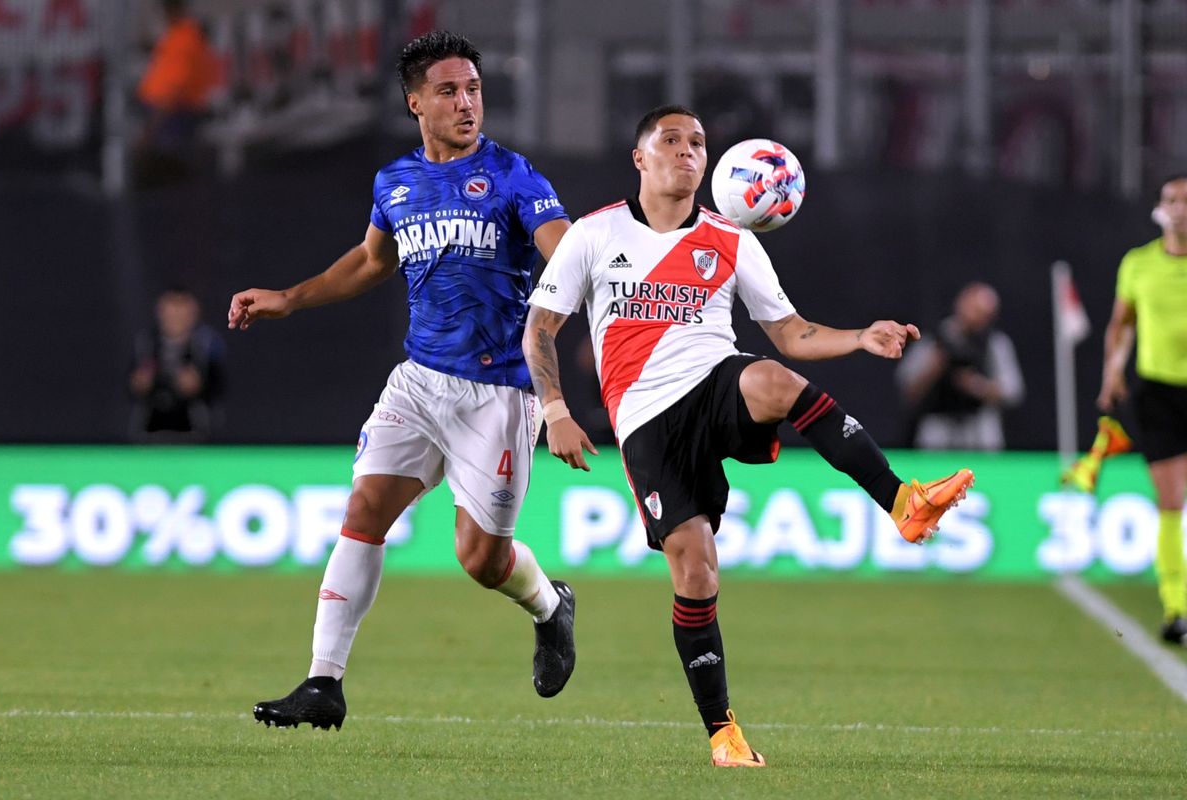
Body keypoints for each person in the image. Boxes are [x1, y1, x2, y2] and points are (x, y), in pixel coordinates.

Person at [522, 104, 975, 767]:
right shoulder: (593, 234)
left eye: (698, 142)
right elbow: (539, 327)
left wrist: (859, 337)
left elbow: (790, 333)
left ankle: (902, 502)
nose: (688, 151)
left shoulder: (731, 239)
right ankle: (723, 732)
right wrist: (555, 410)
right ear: (639, 158)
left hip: (714, 383)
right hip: (645, 420)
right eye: (670, 140)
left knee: (772, 377)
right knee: (697, 570)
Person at [229, 31, 576, 730]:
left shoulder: (513, 176)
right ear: (415, 102)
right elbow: (370, 261)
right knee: (363, 513)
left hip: (500, 392)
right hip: (420, 383)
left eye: (474, 89)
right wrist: (290, 298)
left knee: (479, 559)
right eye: (448, 91)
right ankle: (323, 683)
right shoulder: (396, 182)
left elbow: (564, 261)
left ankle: (550, 605)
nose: (466, 103)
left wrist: (562, 377)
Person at [1097, 173, 1187, 646]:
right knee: (1171, 503)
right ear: (1160, 208)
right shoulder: (1139, 264)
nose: (1180, 209)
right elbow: (1121, 324)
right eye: (1172, 200)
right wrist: (1113, 370)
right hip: (1160, 395)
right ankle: (1177, 608)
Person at [895, 281, 1025, 451]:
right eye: (975, 310)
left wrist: (977, 386)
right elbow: (907, 387)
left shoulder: (994, 344)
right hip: (938, 425)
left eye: (985, 314)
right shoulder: (936, 339)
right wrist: (936, 365)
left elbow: (1012, 391)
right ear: (961, 304)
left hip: (979, 427)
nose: (978, 318)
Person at [135, 0, 220, 185]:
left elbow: (172, 94)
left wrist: (149, 132)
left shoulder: (185, 40)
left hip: (172, 116)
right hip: (161, 111)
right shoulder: (179, 33)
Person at [129, 286, 225, 441]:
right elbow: (132, 385)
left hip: (196, 435)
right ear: (160, 311)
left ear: (193, 313)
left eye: (182, 309)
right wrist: (140, 382)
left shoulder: (206, 345)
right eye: (172, 308)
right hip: (149, 433)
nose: (176, 315)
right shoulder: (145, 344)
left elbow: (218, 387)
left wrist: (199, 385)